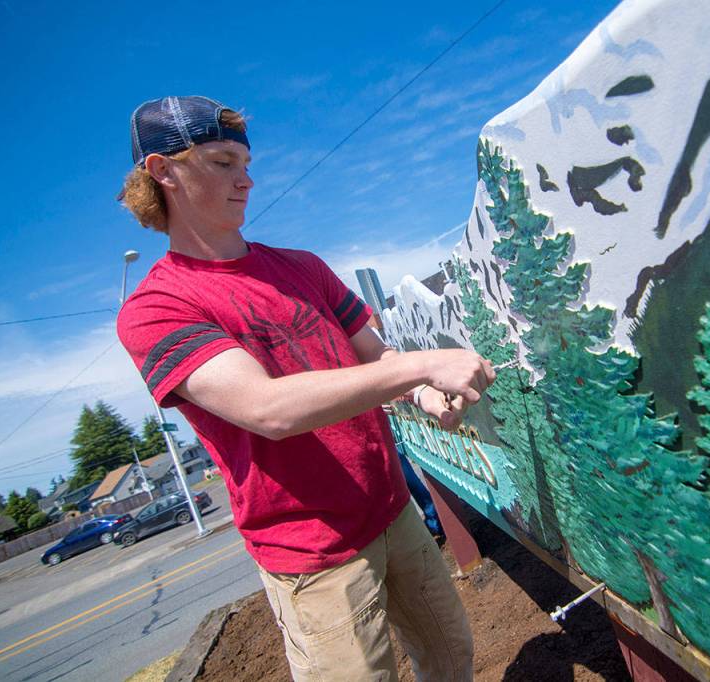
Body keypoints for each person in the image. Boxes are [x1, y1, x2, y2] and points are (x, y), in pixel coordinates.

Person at [115, 96, 495, 681]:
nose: (246, 179)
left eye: (244, 161)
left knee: (450, 656)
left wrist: (423, 393)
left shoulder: (303, 267)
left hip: (393, 511)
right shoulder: (156, 307)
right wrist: (419, 368)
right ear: (162, 173)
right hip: (312, 554)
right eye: (221, 162)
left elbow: (377, 356)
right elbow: (268, 409)